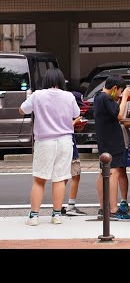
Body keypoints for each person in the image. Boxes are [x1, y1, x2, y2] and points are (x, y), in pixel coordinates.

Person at [20, 68, 80, 226]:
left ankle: (34, 216)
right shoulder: (69, 96)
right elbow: (76, 113)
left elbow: (22, 110)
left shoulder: (38, 95)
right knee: (60, 179)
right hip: (65, 141)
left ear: (45, 80)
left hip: (44, 141)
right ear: (61, 81)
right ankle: (57, 215)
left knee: (39, 179)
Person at [94, 75, 130, 221]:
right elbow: (119, 115)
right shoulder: (106, 98)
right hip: (112, 141)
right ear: (115, 88)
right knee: (114, 172)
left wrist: (119, 99)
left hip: (104, 140)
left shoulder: (99, 97)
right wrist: (124, 98)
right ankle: (113, 209)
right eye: (120, 91)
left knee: (103, 172)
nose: (120, 94)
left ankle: (103, 208)